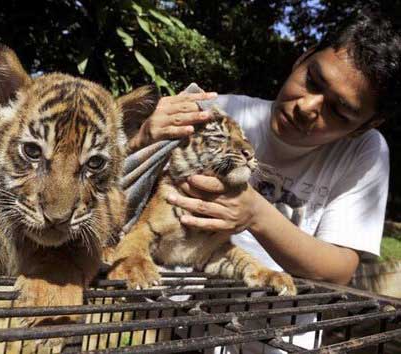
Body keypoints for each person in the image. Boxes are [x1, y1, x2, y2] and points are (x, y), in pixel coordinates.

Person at [127, 11, 400, 353]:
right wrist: (140, 138)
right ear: (302, 57)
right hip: (184, 327)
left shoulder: (364, 153)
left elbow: (339, 271)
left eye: (339, 111)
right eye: (313, 81)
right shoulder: (218, 113)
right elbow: (123, 198)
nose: (307, 107)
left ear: (363, 125)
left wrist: (256, 213)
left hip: (282, 340)